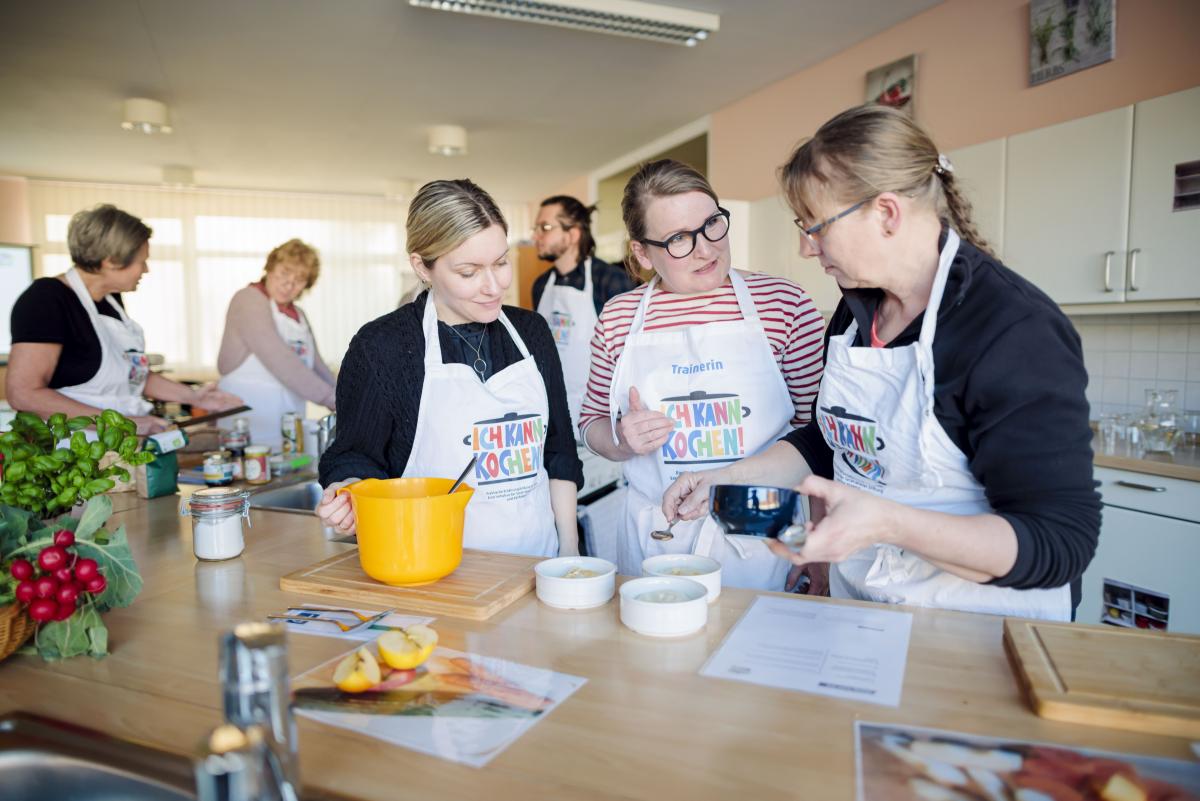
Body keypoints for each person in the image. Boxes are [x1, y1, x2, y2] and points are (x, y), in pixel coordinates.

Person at [663, 105, 1100, 620]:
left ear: (887, 213)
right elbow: (836, 440)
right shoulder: (852, 315)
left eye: (817, 227)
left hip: (984, 631)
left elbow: (1058, 541)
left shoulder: (1010, 329)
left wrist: (887, 524)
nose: (807, 248)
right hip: (868, 610)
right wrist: (728, 477)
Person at [579, 159, 825, 589]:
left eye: (712, 224)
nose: (706, 249)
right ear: (641, 251)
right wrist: (621, 439)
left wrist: (820, 547)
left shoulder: (783, 305)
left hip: (764, 533)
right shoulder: (619, 317)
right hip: (657, 535)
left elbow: (819, 438)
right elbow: (591, 424)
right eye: (678, 239)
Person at [316, 179, 583, 557]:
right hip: (428, 567)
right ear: (423, 267)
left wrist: (569, 555)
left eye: (501, 263)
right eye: (469, 272)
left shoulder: (531, 332)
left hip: (537, 562)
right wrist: (348, 491)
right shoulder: (383, 347)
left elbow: (558, 450)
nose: (494, 287)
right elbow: (354, 455)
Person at [6, 204, 241, 434]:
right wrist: (125, 424)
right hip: (69, 449)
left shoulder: (111, 299)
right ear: (111, 260)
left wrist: (196, 396)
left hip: (116, 447)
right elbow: (24, 393)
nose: (146, 269)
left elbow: (130, 375)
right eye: (142, 260)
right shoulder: (46, 299)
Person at [217, 238, 336, 449]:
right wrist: (331, 399)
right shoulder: (248, 300)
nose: (288, 284)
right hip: (248, 424)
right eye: (284, 273)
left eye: (299, 279)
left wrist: (346, 396)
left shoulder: (298, 315)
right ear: (270, 268)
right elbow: (280, 360)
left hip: (288, 421)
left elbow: (317, 365)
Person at [531, 195, 637, 426]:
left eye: (545, 227)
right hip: (552, 419)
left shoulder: (610, 280)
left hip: (602, 422)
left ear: (573, 234)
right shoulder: (540, 286)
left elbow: (631, 358)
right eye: (536, 228)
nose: (535, 236)